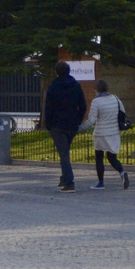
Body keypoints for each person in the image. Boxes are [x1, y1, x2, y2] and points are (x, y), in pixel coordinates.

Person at [41, 61, 89, 191]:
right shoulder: (76, 85)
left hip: (57, 125)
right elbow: (83, 106)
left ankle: (69, 182)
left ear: (56, 72)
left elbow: (48, 107)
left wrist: (48, 124)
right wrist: (78, 120)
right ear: (69, 71)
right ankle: (64, 178)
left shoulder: (53, 86)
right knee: (65, 152)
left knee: (64, 154)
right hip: (72, 124)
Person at [81, 78, 130, 189]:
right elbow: (122, 112)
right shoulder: (115, 98)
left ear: (97, 89)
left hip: (100, 133)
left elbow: (91, 120)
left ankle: (101, 183)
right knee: (112, 158)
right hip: (114, 132)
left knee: (99, 158)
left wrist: (80, 128)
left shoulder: (96, 102)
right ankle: (122, 172)